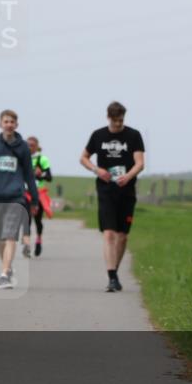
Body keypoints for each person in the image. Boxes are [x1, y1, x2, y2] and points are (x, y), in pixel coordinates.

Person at [79, 101, 146, 292]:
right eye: (116, 121)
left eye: (121, 121)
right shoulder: (98, 135)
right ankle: (112, 276)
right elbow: (83, 157)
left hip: (127, 190)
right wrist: (97, 170)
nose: (119, 124)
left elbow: (140, 163)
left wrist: (128, 176)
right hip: (106, 190)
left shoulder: (133, 135)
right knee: (109, 233)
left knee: (122, 236)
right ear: (109, 118)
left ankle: (114, 270)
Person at [0, 110, 39, 290]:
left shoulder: (22, 147)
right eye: (6, 121)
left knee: (10, 235)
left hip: (16, 197)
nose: (9, 124)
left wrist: (34, 201)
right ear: (0, 124)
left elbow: (30, 176)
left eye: (12, 122)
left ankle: (5, 273)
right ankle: (6, 266)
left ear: (16, 125)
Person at [27, 136, 53, 257]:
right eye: (27, 145)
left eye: (32, 145)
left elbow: (49, 177)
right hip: (25, 193)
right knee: (25, 220)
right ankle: (26, 244)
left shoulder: (42, 159)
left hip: (38, 193)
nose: (29, 147)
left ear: (37, 146)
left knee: (37, 220)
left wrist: (40, 174)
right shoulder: (23, 158)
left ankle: (38, 240)